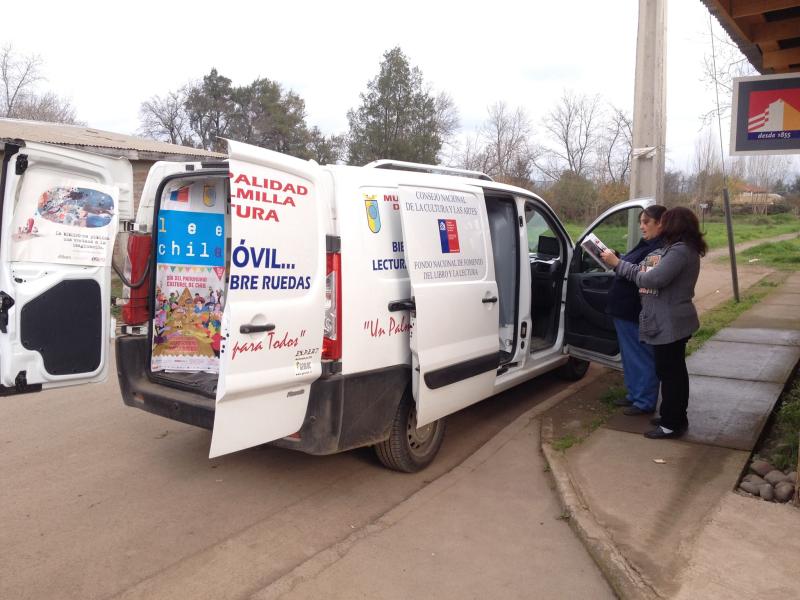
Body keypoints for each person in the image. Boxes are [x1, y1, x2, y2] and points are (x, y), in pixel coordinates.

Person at [600, 207, 707, 439]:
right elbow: (645, 270)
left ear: (675, 225)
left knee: (671, 374)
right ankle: (674, 416)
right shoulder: (679, 249)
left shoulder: (680, 251)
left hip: (670, 322)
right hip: (671, 320)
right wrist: (627, 266)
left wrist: (620, 265)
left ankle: (671, 424)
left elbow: (651, 278)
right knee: (671, 372)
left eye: (665, 222)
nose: (661, 226)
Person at [606, 205, 667, 416]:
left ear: (660, 223)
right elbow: (634, 264)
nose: (642, 226)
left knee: (640, 357)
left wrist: (617, 263)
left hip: (635, 311)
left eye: (646, 222)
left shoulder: (659, 248)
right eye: (640, 222)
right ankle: (634, 394)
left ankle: (644, 401)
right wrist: (618, 258)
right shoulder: (648, 244)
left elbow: (643, 275)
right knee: (630, 358)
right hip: (625, 310)